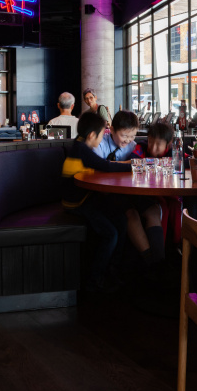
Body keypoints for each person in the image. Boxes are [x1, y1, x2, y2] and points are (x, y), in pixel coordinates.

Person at [61, 112, 131, 292]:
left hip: (85, 199)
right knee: (111, 234)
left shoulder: (79, 144)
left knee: (121, 220)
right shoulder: (82, 150)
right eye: (101, 134)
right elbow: (106, 166)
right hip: (77, 204)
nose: (102, 139)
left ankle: (113, 270)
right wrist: (132, 166)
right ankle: (95, 279)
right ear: (92, 135)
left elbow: (101, 167)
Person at [95, 110, 166, 269]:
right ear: (112, 130)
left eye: (132, 136)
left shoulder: (134, 147)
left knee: (153, 210)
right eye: (124, 135)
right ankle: (152, 264)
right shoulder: (100, 144)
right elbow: (96, 169)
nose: (128, 140)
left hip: (130, 192)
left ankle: (160, 261)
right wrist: (130, 164)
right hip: (107, 193)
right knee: (131, 214)